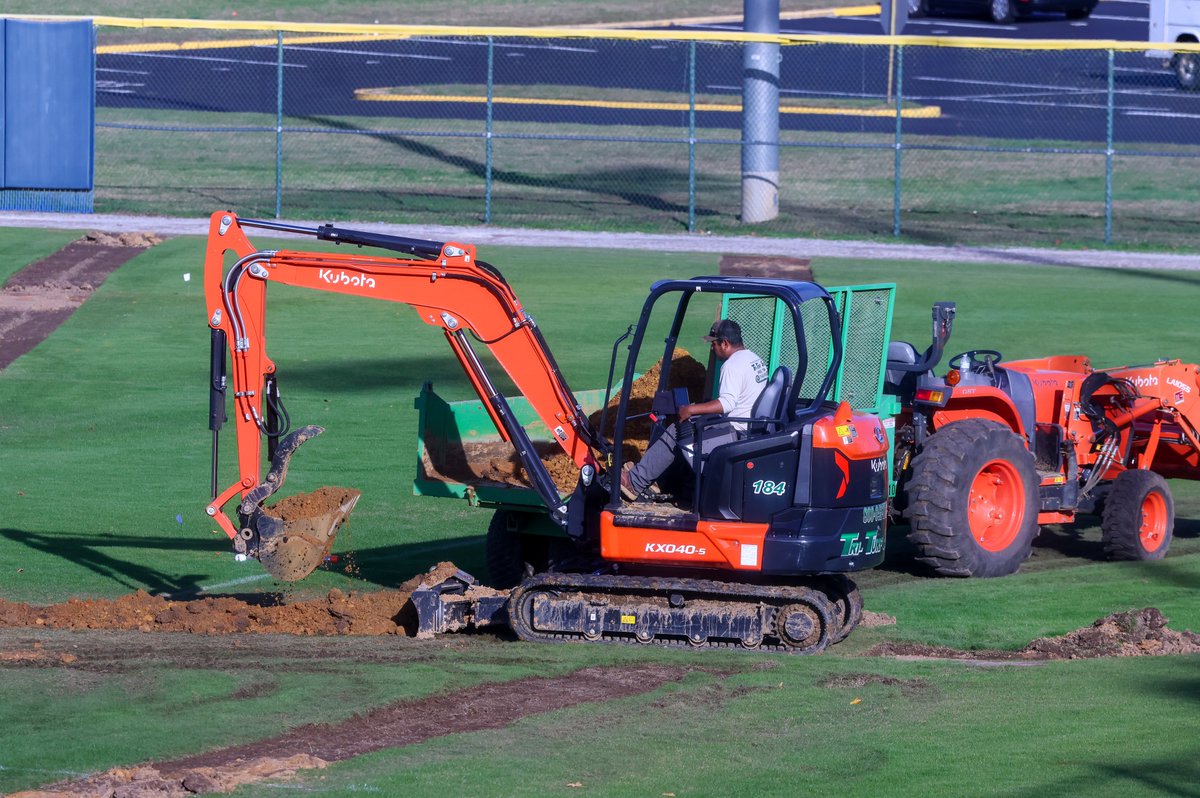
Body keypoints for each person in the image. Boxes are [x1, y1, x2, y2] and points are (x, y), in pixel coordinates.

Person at [620, 318, 768, 500]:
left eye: (714, 344)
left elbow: (727, 403)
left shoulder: (732, 365)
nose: (711, 348)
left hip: (736, 430)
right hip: (748, 426)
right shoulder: (754, 359)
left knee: (678, 429)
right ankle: (660, 480)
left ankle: (635, 482)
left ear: (725, 343)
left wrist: (691, 410)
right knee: (689, 425)